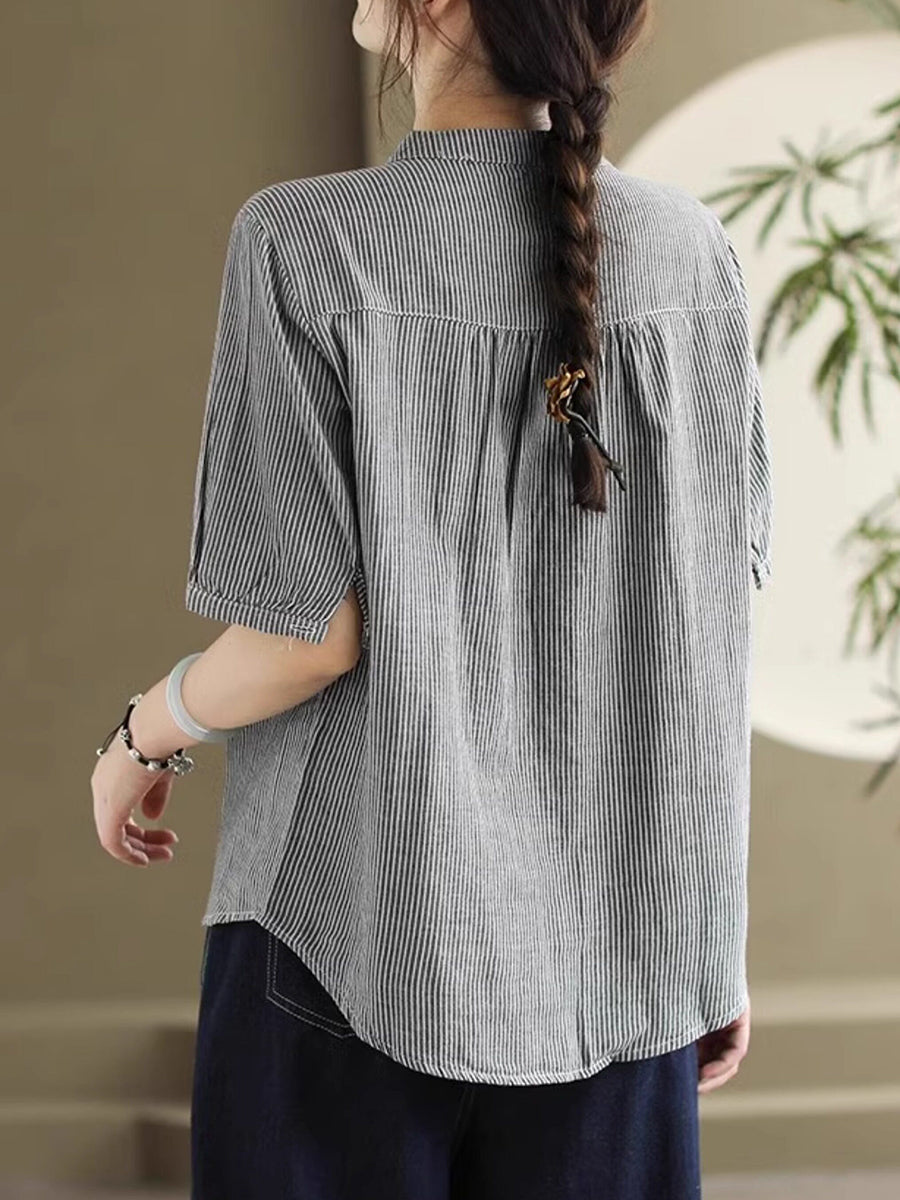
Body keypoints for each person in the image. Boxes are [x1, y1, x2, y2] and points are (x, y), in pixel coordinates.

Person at [90, 0, 774, 1196]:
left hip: (339, 936)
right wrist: (704, 945)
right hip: (623, 964)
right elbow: (709, 633)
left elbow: (307, 639)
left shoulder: (305, 241)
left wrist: (143, 734)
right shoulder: (694, 255)